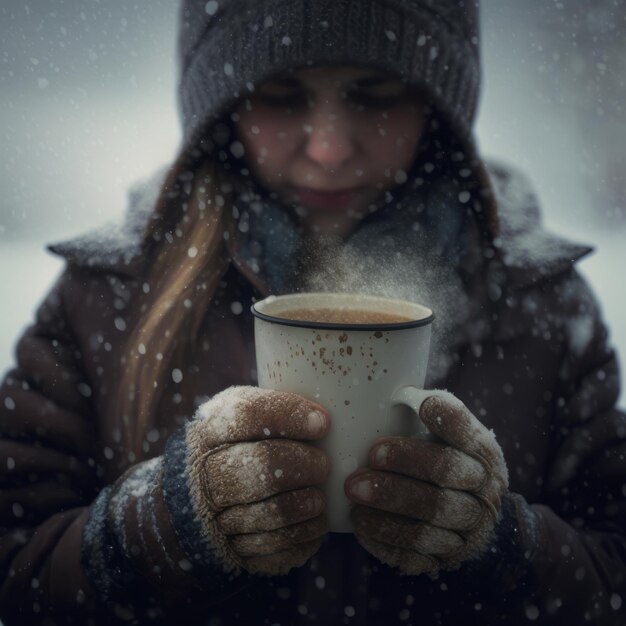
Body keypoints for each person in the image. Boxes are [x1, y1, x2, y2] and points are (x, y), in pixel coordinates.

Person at [0, 0, 624, 624]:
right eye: (280, 94)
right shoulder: (106, 298)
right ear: (221, 109)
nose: (328, 149)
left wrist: (506, 545)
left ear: (438, 110)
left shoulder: (540, 306)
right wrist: (160, 529)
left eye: (375, 95)